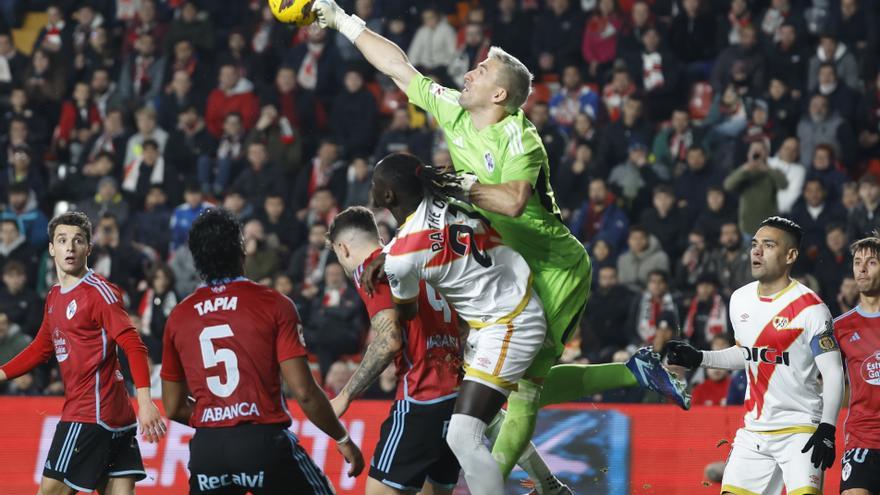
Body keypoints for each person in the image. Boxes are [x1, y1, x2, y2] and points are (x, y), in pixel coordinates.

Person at [311, 5, 689, 487]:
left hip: (554, 267)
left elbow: (512, 202)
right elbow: (397, 68)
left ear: (500, 94)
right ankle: (630, 376)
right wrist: (341, 19)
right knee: (504, 394)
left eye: (481, 70)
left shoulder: (520, 137)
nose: (468, 73)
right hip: (504, 269)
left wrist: (459, 185)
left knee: (523, 393)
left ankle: (531, 481)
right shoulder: (455, 113)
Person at [328, 205, 572, 495]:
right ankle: (550, 487)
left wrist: (344, 396)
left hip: (421, 399)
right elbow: (460, 321)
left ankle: (549, 487)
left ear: (342, 249)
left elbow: (389, 339)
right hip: (457, 395)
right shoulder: (415, 254)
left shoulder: (371, 270)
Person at [160, 208, 363, 494]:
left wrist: (217, 417)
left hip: (208, 452)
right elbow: (304, 392)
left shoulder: (179, 317)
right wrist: (342, 438)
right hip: (263, 443)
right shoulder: (274, 304)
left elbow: (172, 406)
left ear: (196, 258)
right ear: (242, 251)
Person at [667, 217, 845, 495]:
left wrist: (828, 429)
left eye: (768, 245)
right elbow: (748, 354)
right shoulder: (739, 299)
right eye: (754, 244)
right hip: (754, 432)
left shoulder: (811, 308)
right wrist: (701, 358)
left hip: (799, 430)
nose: (757, 251)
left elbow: (833, 373)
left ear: (791, 255)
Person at [0, 211, 166, 495]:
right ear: (52, 248)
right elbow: (42, 347)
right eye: (62, 240)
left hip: (88, 416)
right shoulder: (54, 296)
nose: (70, 247)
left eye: (78, 241)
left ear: (89, 248)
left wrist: (146, 400)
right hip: (116, 419)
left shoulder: (99, 293)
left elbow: (133, 343)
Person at [832, 234, 880, 495]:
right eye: (857, 262)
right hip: (861, 439)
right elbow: (823, 380)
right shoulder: (840, 327)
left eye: (871, 262)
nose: (861, 269)